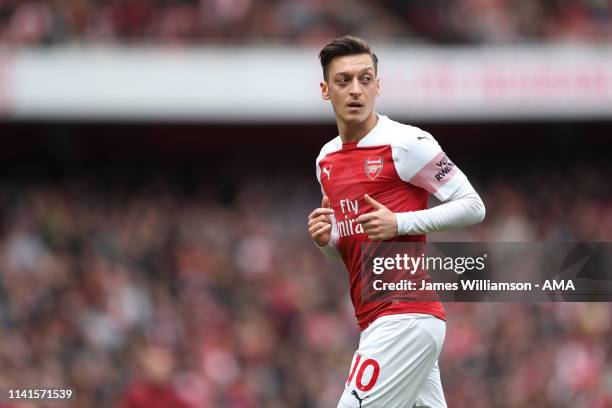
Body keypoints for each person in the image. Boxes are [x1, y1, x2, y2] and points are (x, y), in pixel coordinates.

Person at [307, 36, 486, 408]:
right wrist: (328, 241)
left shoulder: (407, 142)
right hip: (379, 319)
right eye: (343, 81)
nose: (356, 90)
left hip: (404, 315)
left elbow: (473, 205)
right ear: (325, 90)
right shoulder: (326, 160)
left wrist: (401, 223)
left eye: (365, 79)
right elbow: (349, 247)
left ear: (378, 85)